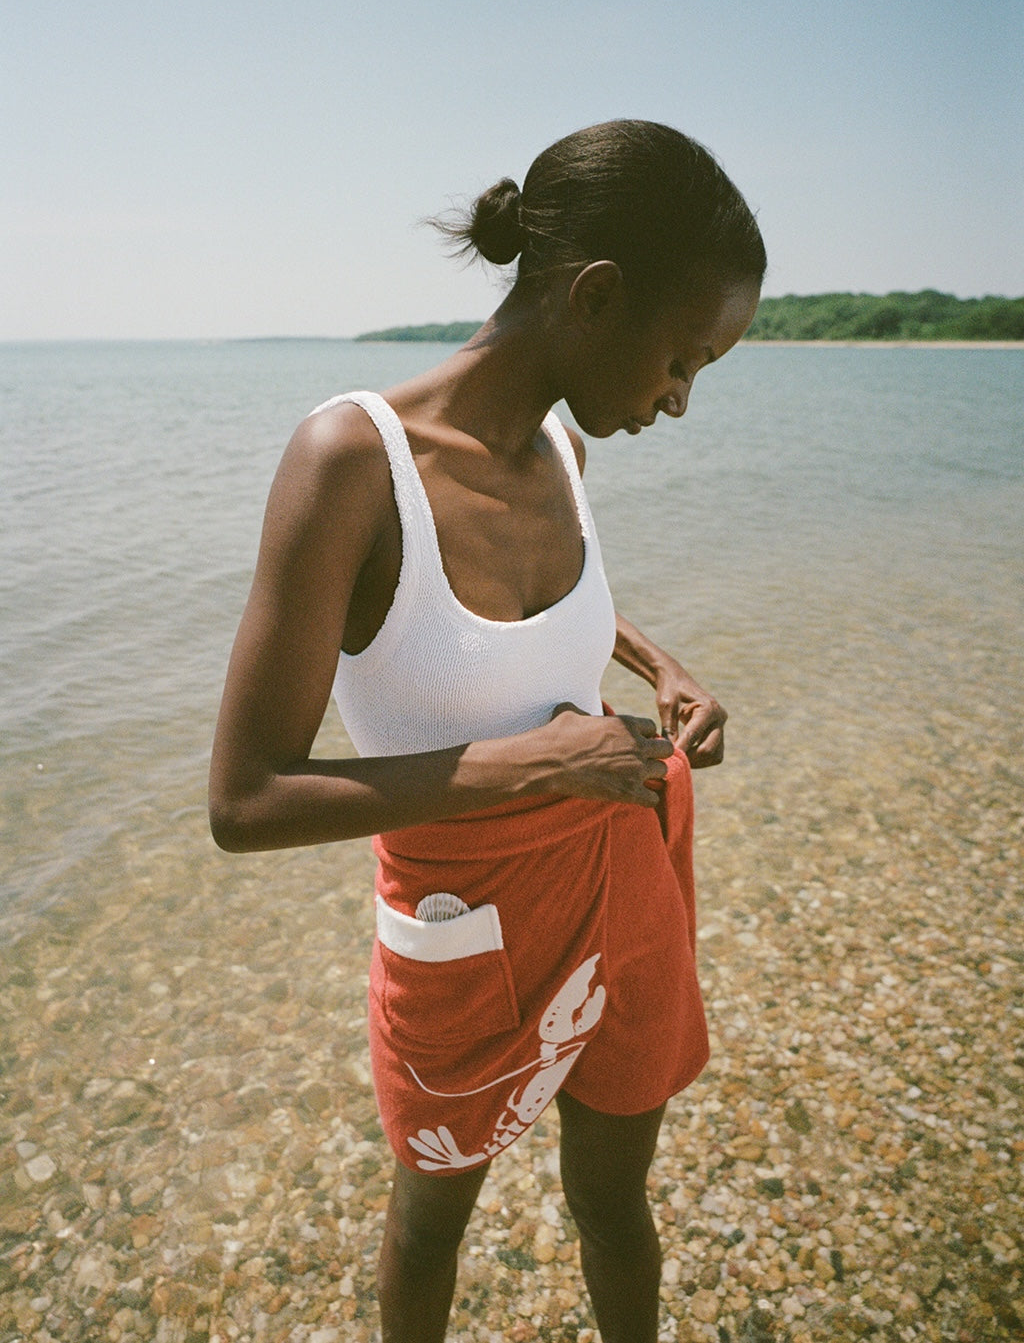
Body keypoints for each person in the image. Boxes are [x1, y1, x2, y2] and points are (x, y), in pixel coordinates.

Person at [209, 118, 766, 1343]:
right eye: (684, 361)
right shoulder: (353, 462)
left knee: (614, 1206)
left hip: (622, 876)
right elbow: (243, 804)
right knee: (429, 1221)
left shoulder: (564, 447)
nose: (679, 401)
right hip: (464, 929)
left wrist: (659, 663)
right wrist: (547, 758)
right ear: (598, 297)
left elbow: (542, 606)